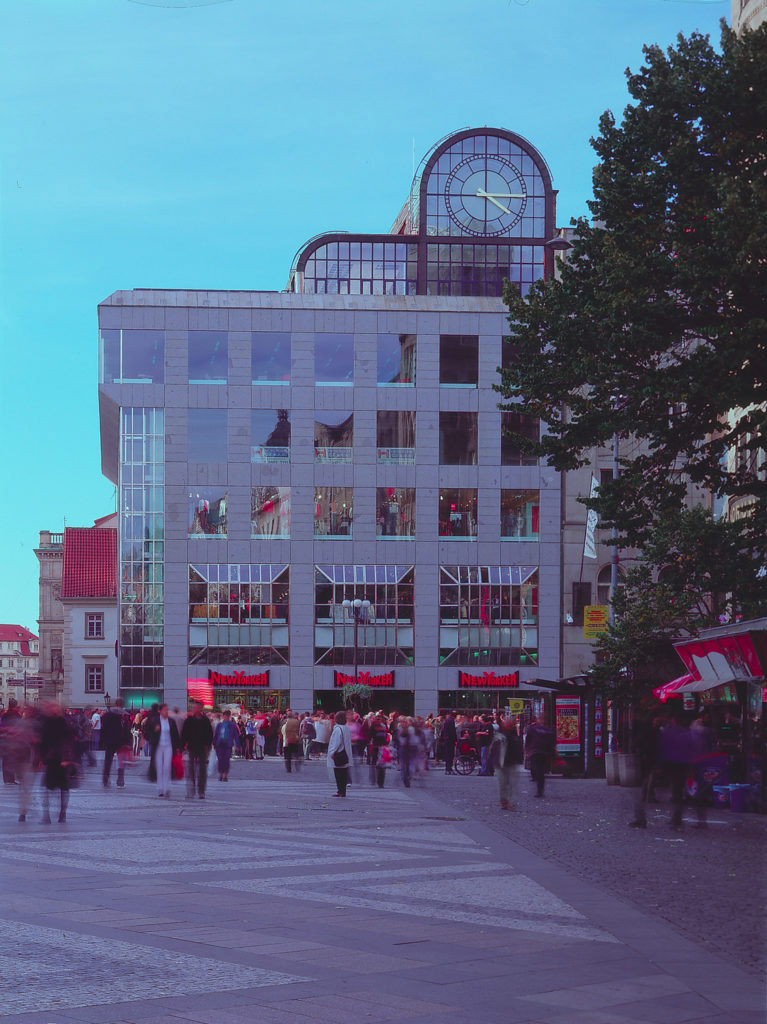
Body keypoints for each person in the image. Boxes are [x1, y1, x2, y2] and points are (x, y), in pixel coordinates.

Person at [39, 703, 77, 824]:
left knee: (61, 788)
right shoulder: (49, 723)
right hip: (53, 760)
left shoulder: (61, 723)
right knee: (50, 788)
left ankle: (61, 813)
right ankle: (49, 814)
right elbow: (43, 741)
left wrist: (69, 758)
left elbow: (68, 741)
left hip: (60, 760)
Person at [181, 701, 214, 799]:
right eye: (193, 707)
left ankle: (201, 790)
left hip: (202, 748)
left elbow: (209, 734)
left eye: (197, 707)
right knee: (191, 770)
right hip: (192, 747)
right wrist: (183, 746)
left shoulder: (205, 721)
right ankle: (191, 790)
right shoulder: (189, 720)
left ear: (201, 709)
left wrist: (208, 745)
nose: (195, 709)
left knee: (202, 770)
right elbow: (184, 734)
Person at [491, 717, 523, 809]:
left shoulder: (514, 735)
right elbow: (494, 748)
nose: (509, 725)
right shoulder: (500, 734)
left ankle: (508, 800)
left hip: (511, 762)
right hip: (501, 763)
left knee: (512, 783)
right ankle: (504, 801)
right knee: (503, 783)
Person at [100, 699, 131, 788]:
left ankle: (105, 779)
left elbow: (103, 728)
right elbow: (126, 730)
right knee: (121, 761)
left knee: (108, 760)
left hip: (110, 740)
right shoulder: (124, 715)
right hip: (121, 741)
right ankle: (120, 781)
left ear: (115, 704)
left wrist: (103, 740)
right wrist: (128, 742)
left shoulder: (108, 714)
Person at [152, 703, 181, 798]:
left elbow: (175, 735)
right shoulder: (155, 720)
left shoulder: (171, 721)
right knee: (159, 767)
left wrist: (178, 747)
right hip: (159, 746)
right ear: (159, 711)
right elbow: (148, 732)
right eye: (164, 710)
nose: (166, 711)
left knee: (167, 766)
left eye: (167, 710)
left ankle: (167, 787)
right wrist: (155, 730)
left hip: (168, 745)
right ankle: (160, 788)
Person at [525, 713, 555, 798]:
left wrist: (527, 750)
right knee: (540, 770)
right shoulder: (548, 729)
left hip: (538, 752)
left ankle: (539, 788)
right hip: (540, 752)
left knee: (538, 770)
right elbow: (552, 742)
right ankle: (539, 788)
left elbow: (528, 740)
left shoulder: (534, 728)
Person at [327, 710, 353, 797]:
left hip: (339, 754)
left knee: (338, 774)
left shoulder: (338, 729)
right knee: (344, 774)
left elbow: (336, 742)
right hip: (345, 754)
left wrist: (331, 753)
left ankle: (340, 791)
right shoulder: (346, 728)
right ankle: (343, 791)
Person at [213, 709, 238, 781]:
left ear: (229, 717)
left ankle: (225, 775)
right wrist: (214, 743)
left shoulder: (232, 725)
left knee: (226, 760)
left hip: (228, 745)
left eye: (227, 716)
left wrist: (237, 746)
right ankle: (221, 774)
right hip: (220, 744)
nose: (226, 717)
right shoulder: (219, 725)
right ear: (223, 716)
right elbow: (216, 735)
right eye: (225, 716)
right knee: (220, 760)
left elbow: (236, 736)